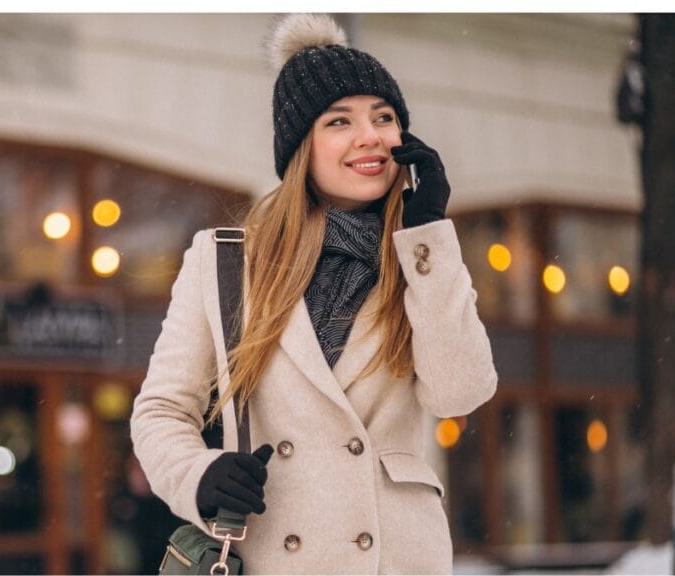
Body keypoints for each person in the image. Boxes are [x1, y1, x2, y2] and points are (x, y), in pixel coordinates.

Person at [130, 13, 498, 574]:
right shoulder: (228, 260)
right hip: (275, 554)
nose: (370, 135)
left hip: (396, 560)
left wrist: (428, 238)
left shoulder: (419, 260)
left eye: (385, 117)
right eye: (339, 121)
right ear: (302, 146)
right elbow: (160, 411)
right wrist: (198, 476)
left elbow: (461, 393)